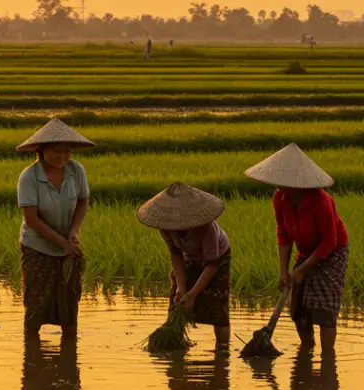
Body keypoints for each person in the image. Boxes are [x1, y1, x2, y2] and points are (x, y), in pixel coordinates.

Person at [245, 143, 349, 351]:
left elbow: (329, 241)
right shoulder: (280, 198)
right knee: (298, 307)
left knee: (325, 309)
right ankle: (307, 349)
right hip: (306, 250)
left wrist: (301, 270)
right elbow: (284, 235)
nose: (279, 185)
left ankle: (328, 357)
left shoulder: (321, 201)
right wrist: (284, 272)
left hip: (332, 252)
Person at [15, 117, 95, 335]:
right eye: (56, 152)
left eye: (67, 151)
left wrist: (73, 231)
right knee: (36, 301)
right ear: (41, 151)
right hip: (37, 247)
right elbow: (31, 219)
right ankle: (31, 347)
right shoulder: (29, 177)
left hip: (68, 244)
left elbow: (82, 201)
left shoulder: (76, 170)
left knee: (69, 300)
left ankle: (69, 348)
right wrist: (62, 243)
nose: (62, 157)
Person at [137, 182, 232, 346]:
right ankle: (175, 342)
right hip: (189, 256)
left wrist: (193, 294)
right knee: (177, 300)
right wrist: (181, 288)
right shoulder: (165, 226)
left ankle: (222, 348)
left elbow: (212, 264)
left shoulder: (206, 228)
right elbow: (175, 253)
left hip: (217, 258)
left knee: (217, 303)